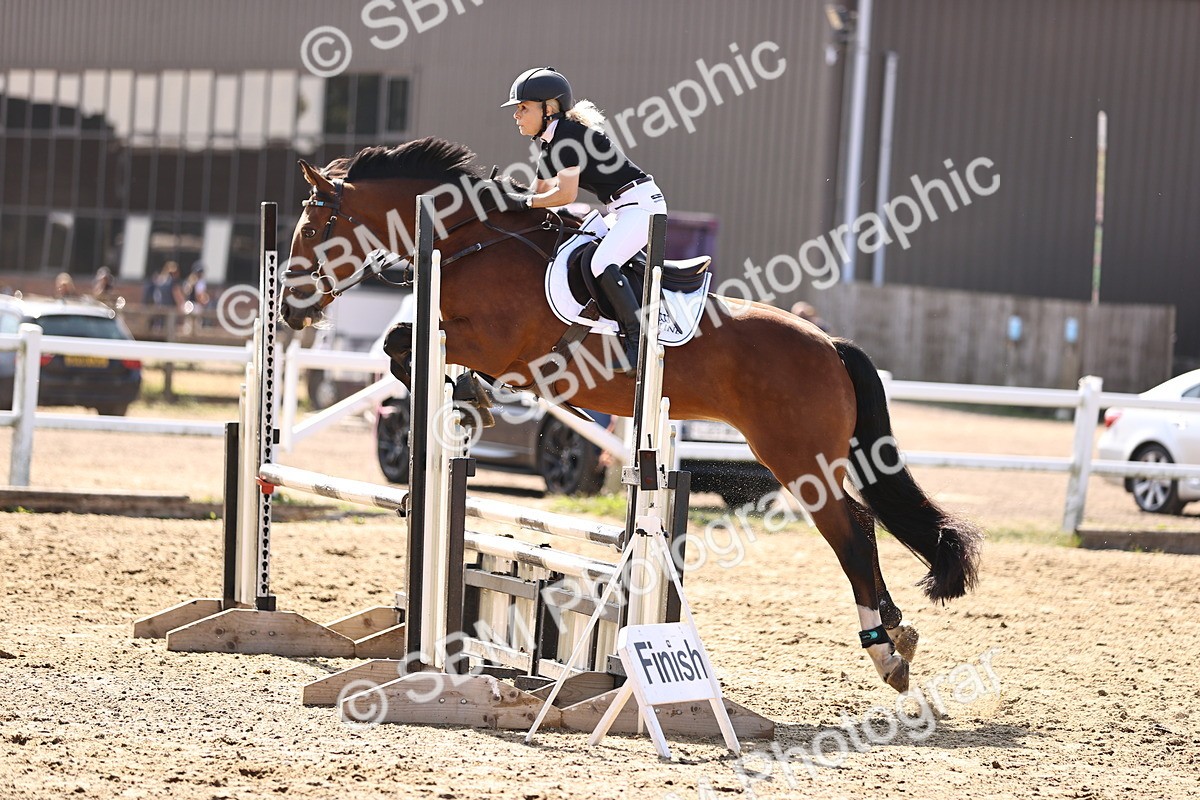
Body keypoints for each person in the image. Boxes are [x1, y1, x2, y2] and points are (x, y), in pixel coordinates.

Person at [503, 66, 665, 375]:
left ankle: (639, 344)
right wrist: (505, 197)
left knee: (601, 262)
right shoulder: (551, 142)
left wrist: (523, 201)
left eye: (523, 107)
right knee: (585, 256)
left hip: (642, 207)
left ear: (548, 109)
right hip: (622, 209)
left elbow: (564, 195)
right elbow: (538, 194)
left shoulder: (568, 136)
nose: (516, 114)